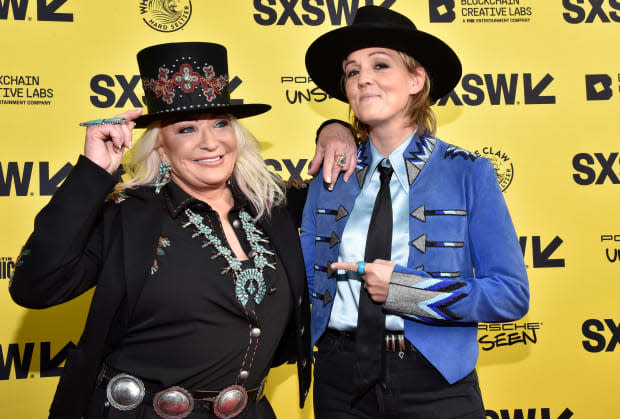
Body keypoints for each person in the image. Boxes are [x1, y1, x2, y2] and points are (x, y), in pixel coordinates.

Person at [9, 42, 353, 419]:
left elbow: (372, 173)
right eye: (187, 129)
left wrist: (336, 128)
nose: (211, 142)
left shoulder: (274, 206)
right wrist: (93, 174)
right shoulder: (127, 216)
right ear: (161, 148)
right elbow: (35, 287)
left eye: (221, 123)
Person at [300, 6, 530, 419]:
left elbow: (510, 296)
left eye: (380, 65)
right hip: (338, 380)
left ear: (416, 79)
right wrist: (331, 128)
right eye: (352, 72)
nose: (362, 78)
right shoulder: (330, 172)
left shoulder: (468, 172)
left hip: (436, 381)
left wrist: (407, 292)